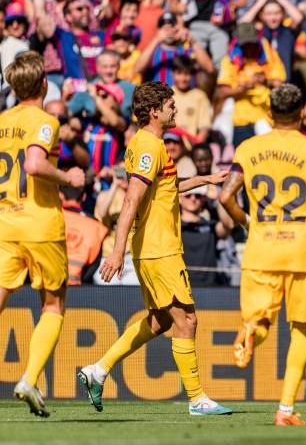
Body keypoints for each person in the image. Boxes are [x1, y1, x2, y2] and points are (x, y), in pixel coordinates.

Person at [77, 81, 231, 416]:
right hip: (160, 248)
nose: (176, 109)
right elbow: (132, 197)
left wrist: (205, 180)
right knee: (187, 320)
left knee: (161, 321)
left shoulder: (150, 145)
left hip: (153, 247)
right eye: (171, 105)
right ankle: (197, 398)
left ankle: (98, 370)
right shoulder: (149, 145)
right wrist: (117, 251)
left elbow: (166, 187)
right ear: (154, 112)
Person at [218, 84, 306, 426]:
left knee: (261, 319)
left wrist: (247, 222)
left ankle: (251, 331)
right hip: (302, 248)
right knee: (301, 327)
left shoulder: (248, 148)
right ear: (300, 115)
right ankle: (285, 408)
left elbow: (225, 198)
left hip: (261, 246)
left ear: (269, 115)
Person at [0, 51, 85, 417]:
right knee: (53, 304)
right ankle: (29, 378)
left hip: (5, 222)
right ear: (43, 84)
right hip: (40, 224)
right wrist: (69, 178)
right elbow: (34, 164)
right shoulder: (45, 120)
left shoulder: (2, 121)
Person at [59, 183, 109, 285]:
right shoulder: (96, 226)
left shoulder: (51, 219)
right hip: (81, 291)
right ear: (84, 197)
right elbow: (94, 265)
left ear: (60, 195)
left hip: (49, 287)